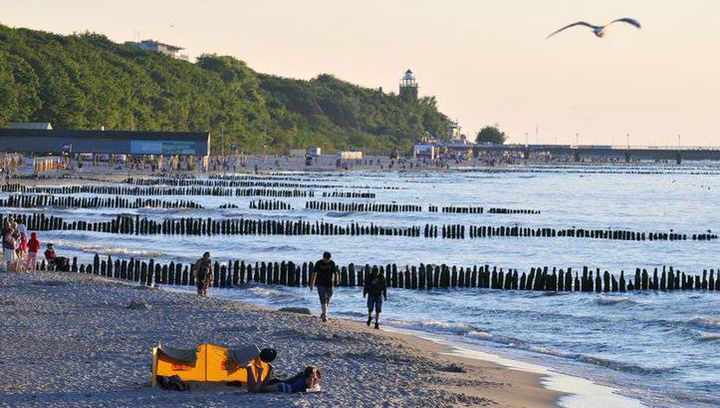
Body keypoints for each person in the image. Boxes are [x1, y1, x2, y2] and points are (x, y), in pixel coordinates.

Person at [247, 364, 321, 394]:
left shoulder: (302, 376)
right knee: (257, 390)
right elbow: (309, 388)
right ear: (312, 373)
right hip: (285, 388)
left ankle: (249, 369)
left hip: (284, 386)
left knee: (253, 390)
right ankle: (262, 371)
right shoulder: (310, 379)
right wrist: (315, 381)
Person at [309, 251, 338, 322]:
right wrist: (312, 283)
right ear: (323, 258)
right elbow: (314, 273)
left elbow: (335, 272)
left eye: (328, 259)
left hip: (330, 284)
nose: (327, 261)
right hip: (320, 284)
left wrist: (337, 279)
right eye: (326, 259)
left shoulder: (332, 263)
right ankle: (325, 315)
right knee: (323, 298)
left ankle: (323, 313)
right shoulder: (318, 263)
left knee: (328, 299)